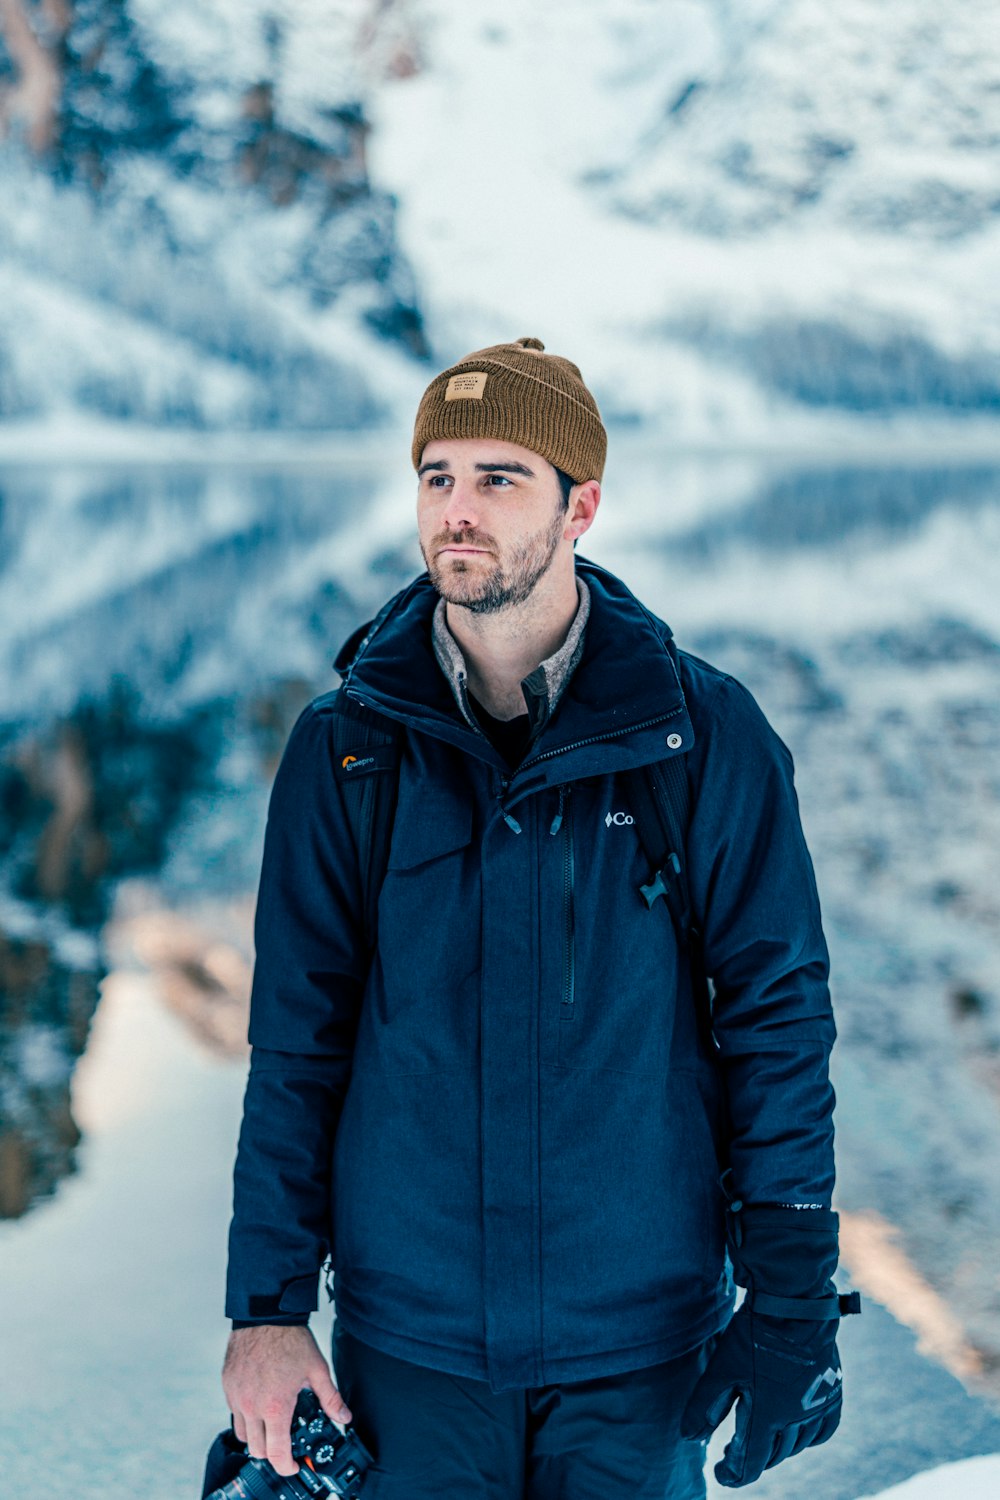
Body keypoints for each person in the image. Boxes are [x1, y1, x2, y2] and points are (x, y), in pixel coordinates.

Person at [221, 337, 855, 1498]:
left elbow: (777, 1024)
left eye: (499, 478)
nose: (457, 511)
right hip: (409, 1346)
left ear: (582, 507)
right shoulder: (346, 748)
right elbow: (295, 1044)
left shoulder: (702, 737)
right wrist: (264, 1312)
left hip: (639, 1345)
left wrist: (793, 1304)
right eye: (438, 476)